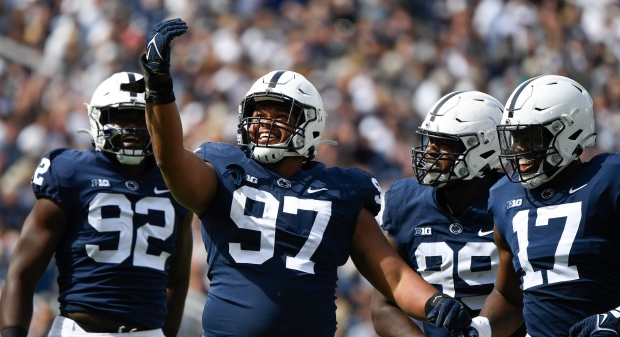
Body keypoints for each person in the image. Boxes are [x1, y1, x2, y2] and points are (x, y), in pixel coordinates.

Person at [122, 18, 473, 336]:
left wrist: (433, 303)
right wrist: (159, 85)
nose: (264, 125)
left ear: (310, 124)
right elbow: (168, 158)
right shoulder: (224, 169)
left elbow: (392, 275)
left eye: (280, 115)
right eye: (258, 114)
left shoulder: (341, 190)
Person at [0, 72, 194, 337]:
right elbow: (22, 272)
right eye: (121, 117)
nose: (132, 129)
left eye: (141, 118)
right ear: (97, 119)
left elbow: (178, 279)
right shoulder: (72, 172)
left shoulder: (176, 181)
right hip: (81, 331)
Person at [464, 75, 620, 337]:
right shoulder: (504, 196)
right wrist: (481, 327)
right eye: (514, 138)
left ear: (569, 130)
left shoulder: (610, 178)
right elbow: (510, 297)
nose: (518, 150)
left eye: (529, 138)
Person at [371, 91, 526, 337]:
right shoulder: (407, 202)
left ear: (483, 151)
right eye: (430, 140)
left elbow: (521, 300)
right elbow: (384, 304)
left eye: (444, 143)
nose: (430, 151)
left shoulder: (516, 201)